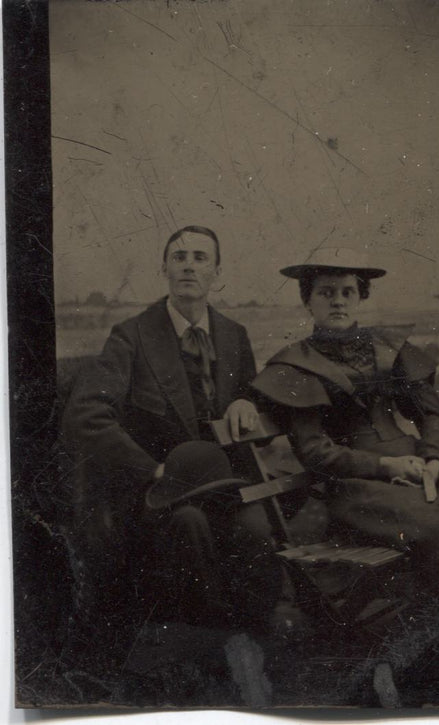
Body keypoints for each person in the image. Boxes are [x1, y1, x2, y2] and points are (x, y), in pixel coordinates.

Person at [60, 225, 281, 672]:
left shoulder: (233, 334)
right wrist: (150, 469)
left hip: (221, 482)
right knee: (189, 525)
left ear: (217, 273)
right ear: (164, 268)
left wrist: (244, 400)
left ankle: (255, 643)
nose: (189, 266)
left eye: (201, 258)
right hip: (156, 491)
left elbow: (251, 396)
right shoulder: (132, 334)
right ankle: (209, 650)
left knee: (256, 531)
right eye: (179, 257)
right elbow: (87, 415)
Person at [251, 247, 439, 605]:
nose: (338, 302)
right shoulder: (296, 365)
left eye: (347, 292)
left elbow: (430, 415)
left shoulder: (388, 348)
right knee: (438, 529)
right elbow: (314, 451)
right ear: (307, 302)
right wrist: (386, 466)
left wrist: (433, 459)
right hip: (356, 483)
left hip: (419, 467)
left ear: (360, 297)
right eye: (326, 293)